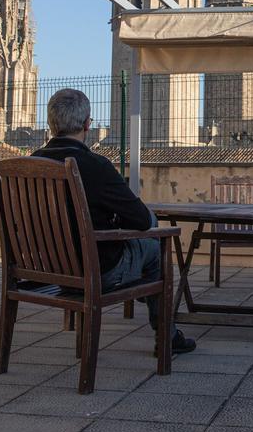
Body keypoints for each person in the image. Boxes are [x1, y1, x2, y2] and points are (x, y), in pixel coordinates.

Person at [32, 88, 196, 355]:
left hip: (48, 271)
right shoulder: (94, 166)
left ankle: (148, 293)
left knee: (148, 244)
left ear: (51, 123)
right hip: (97, 273)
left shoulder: (30, 164)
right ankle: (166, 335)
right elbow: (142, 219)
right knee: (155, 246)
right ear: (87, 124)